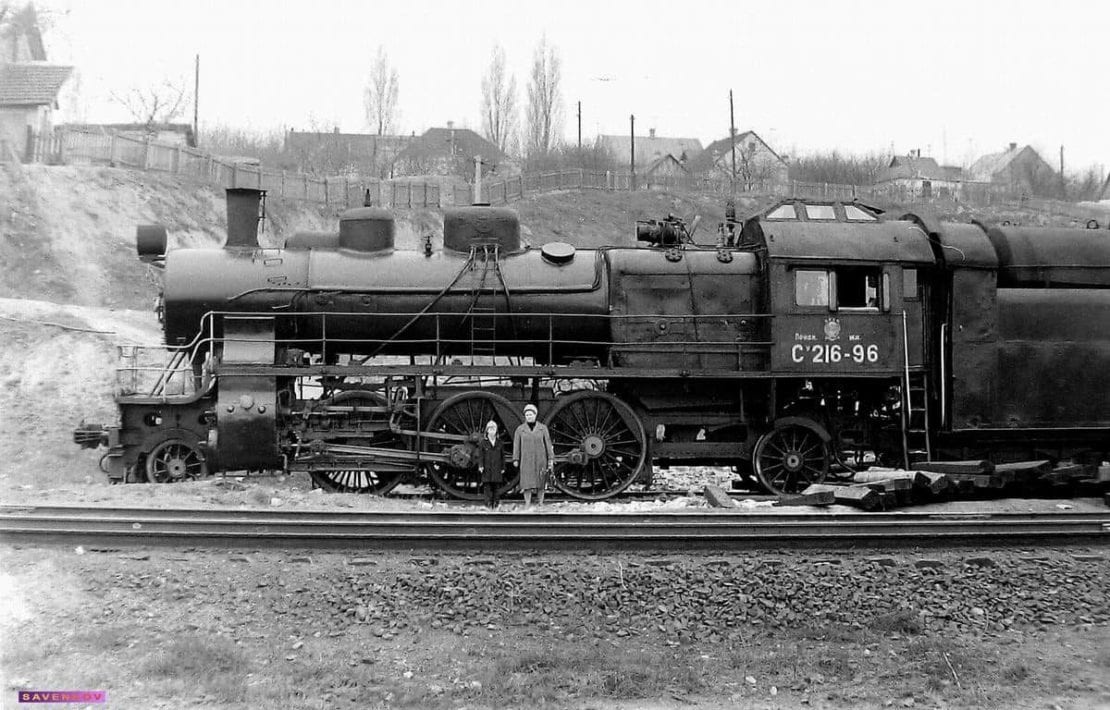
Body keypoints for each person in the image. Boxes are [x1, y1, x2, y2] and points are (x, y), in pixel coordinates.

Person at [512, 403, 554, 506]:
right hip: (526, 459)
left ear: (535, 415)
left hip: (541, 459)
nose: (529, 416)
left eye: (531, 414)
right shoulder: (520, 429)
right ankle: (527, 503)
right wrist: (516, 459)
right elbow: (516, 445)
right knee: (527, 482)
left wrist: (551, 458)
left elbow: (548, 443)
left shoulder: (543, 428)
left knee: (541, 482)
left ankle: (540, 502)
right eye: (527, 415)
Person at [476, 420, 504, 510]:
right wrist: (480, 466)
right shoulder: (483, 443)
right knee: (487, 487)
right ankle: (487, 504)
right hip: (487, 467)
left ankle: (496, 503)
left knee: (496, 487)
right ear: (487, 430)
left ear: (496, 430)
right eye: (490, 429)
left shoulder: (500, 443)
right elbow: (481, 456)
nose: (492, 431)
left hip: (496, 467)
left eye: (494, 429)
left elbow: (503, 456)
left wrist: (503, 467)